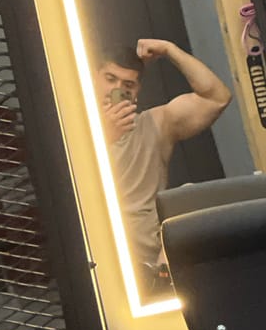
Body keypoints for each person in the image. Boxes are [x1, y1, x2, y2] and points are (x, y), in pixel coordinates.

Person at [94, 39, 231, 290]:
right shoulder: (70, 135)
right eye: (110, 79)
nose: (117, 89)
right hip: (103, 266)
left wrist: (170, 50)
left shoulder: (156, 124)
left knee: (190, 197)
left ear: (137, 90)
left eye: (128, 84)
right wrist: (103, 137)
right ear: (93, 78)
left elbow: (216, 98)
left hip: (157, 267)